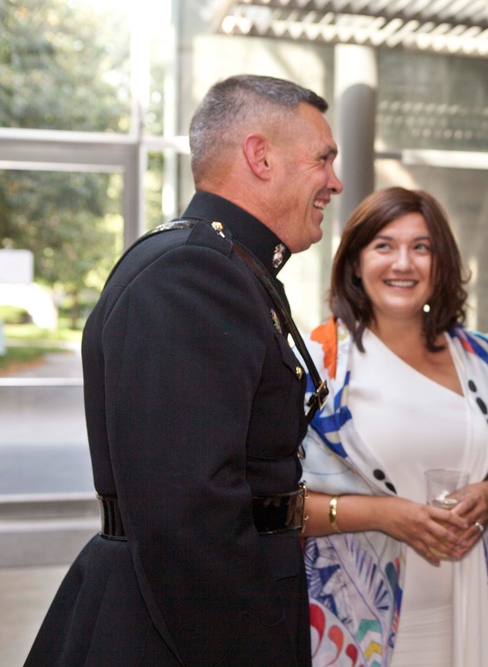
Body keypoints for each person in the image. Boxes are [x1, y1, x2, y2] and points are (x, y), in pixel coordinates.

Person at [26, 74, 342, 666]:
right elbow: (188, 518)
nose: (335, 181)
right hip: (180, 629)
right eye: (323, 159)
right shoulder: (194, 275)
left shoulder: (223, 265)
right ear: (260, 155)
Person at [299, 186, 488, 667]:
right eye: (384, 245)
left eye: (421, 247)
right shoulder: (320, 363)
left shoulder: (480, 357)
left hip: (470, 609)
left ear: (441, 261)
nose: (403, 263)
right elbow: (278, 503)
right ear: (355, 261)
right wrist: (387, 515)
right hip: (357, 625)